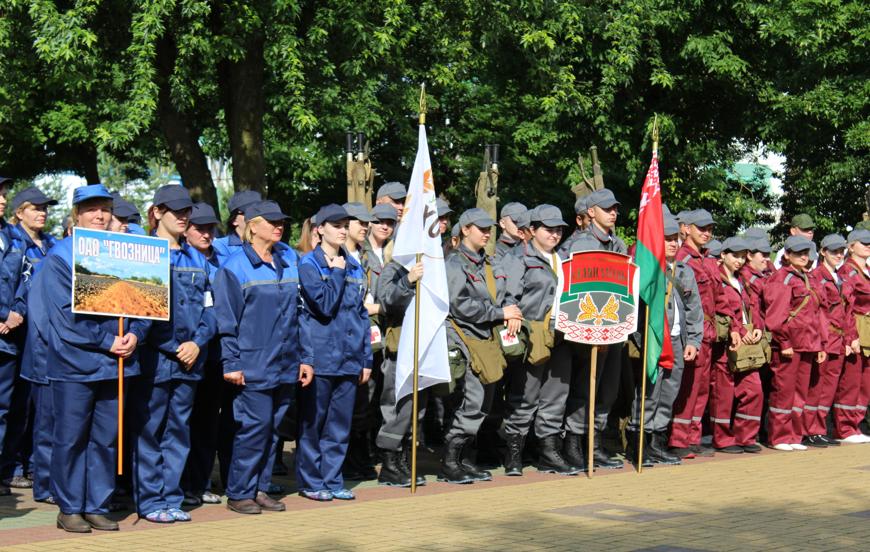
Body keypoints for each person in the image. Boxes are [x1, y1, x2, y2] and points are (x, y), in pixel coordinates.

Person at [43, 184, 151, 533]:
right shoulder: (61, 256)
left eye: (105, 209)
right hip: (75, 365)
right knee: (71, 439)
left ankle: (96, 505)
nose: (100, 215)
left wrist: (137, 333)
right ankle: (70, 507)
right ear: (77, 215)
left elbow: (146, 301)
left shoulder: (126, 253)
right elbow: (64, 318)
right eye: (91, 209)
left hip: (117, 364)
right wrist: (107, 341)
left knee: (106, 438)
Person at [214, 200, 311, 514]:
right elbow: (226, 320)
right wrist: (232, 362)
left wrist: (305, 358)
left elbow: (299, 314)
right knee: (254, 429)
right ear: (252, 227)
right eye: (272, 222)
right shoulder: (234, 267)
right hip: (253, 364)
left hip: (285, 362)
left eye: (281, 222)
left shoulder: (287, 260)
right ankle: (240, 491)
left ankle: (260, 488)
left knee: (273, 430)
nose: (279, 226)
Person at [131, 186, 216, 523]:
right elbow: (139, 310)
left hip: (190, 361)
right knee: (149, 431)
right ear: (157, 213)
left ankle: (171, 498)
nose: (183, 217)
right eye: (176, 211)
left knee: (178, 432)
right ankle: (151, 501)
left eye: (186, 211)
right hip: (154, 360)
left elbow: (211, 308)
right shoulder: (144, 254)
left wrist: (197, 342)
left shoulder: (197, 259)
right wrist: (172, 346)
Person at [440, 208, 521, 484]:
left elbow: (505, 293)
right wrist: (499, 313)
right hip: (464, 337)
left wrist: (511, 309)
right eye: (481, 228)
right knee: (472, 400)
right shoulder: (454, 264)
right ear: (465, 230)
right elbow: (460, 306)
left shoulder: (489, 262)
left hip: (486, 338)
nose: (487, 233)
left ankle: (464, 460)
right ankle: (450, 462)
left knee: (484, 401)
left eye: (489, 229)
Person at [297, 204, 372, 501]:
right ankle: (311, 481)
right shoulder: (309, 264)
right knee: (314, 423)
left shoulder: (353, 265)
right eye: (336, 225)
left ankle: (332, 479)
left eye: (344, 225)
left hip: (349, 357)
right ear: (320, 229)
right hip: (321, 357)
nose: (342, 230)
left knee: (340, 425)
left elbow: (361, 314)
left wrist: (366, 357)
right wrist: (337, 273)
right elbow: (324, 306)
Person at [501, 205, 576, 476]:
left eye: (559, 230)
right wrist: (512, 316)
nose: (555, 234)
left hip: (563, 333)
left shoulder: (566, 258)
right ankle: (514, 453)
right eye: (549, 229)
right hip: (532, 333)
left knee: (556, 395)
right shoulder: (519, 257)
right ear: (532, 230)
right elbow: (508, 295)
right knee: (525, 394)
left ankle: (549, 452)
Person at [557, 188, 627, 469]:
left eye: (615, 208)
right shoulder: (581, 244)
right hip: (586, 329)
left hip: (613, 328)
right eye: (607, 208)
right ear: (591, 212)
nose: (613, 213)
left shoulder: (618, 244)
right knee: (584, 388)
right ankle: (574, 443)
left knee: (607, 390)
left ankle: (594, 442)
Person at [626, 215, 701, 466]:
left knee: (669, 392)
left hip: (678, 340)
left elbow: (694, 309)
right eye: (666, 239)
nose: (672, 243)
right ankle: (639, 443)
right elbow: (634, 308)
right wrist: (642, 340)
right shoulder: (645, 271)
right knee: (649, 393)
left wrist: (694, 341)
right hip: (653, 339)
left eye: (675, 239)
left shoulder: (685, 271)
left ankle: (657, 442)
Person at [4, 186, 58, 488]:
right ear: (19, 211)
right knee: (15, 405)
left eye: (45, 208)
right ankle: (10, 466)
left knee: (40, 407)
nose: (42, 213)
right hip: (15, 333)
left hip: (44, 337)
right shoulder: (12, 241)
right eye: (35, 208)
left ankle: (34, 465)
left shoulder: (52, 244)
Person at [762, 235, 827, 451]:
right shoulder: (782, 278)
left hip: (808, 343)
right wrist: (784, 342)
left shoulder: (807, 277)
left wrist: (821, 344)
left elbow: (817, 313)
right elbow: (776, 315)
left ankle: (794, 435)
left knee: (800, 393)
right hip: (789, 344)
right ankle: (779, 436)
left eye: (805, 253)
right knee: (783, 391)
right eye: (798, 253)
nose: (803, 257)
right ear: (787, 255)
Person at [181, 202, 225, 505]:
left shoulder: (222, 261)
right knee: (182, 424)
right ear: (186, 230)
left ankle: (200, 482)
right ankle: (180, 485)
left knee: (207, 424)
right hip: (184, 355)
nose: (207, 234)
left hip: (214, 355)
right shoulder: (179, 258)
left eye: (211, 228)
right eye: (200, 228)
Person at [669, 209, 719, 458]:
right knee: (687, 390)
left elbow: (718, 298)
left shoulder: (706, 260)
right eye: (701, 228)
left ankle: (693, 437)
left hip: (707, 331)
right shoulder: (682, 259)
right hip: (691, 332)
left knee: (701, 390)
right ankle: (679, 440)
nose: (706, 233)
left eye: (709, 229)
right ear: (686, 229)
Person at [374, 254, 426, 487]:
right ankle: (390, 464)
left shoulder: (432, 267)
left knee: (416, 409)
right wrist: (407, 280)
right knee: (397, 406)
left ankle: (404, 459)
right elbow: (386, 302)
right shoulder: (394, 269)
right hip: (400, 346)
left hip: (423, 346)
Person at [709, 237, 764, 453]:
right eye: (735, 256)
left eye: (742, 257)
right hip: (726, 344)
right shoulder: (717, 279)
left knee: (754, 390)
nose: (739, 261)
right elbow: (720, 309)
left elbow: (753, 307)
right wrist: (739, 330)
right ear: (723, 255)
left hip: (747, 344)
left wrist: (757, 327)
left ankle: (746, 437)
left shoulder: (743, 280)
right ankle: (722, 439)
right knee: (723, 394)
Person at [340, 202, 380, 481]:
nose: (365, 227)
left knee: (363, 404)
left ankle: (358, 456)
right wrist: (372, 307)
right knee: (345, 406)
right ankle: (344, 461)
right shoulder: (336, 257)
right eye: (359, 222)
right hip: (342, 340)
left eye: (367, 223)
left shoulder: (368, 258)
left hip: (365, 338)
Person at [807, 234, 853, 446]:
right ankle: (810, 430)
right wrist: (821, 342)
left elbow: (847, 311)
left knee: (828, 388)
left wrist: (849, 338)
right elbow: (817, 312)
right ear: (823, 252)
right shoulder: (817, 276)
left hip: (839, 339)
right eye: (834, 251)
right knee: (817, 387)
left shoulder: (839, 277)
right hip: (825, 339)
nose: (838, 255)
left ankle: (819, 428)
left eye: (841, 251)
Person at [0, 176, 27, 498]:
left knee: (3, 410)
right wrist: (2, 313)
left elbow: (24, 278)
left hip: (7, 339)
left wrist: (16, 311)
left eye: (5, 194)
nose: (3, 200)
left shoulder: (12, 235)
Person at [832, 229, 870, 443]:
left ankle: (855, 424)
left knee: (866, 382)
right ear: (851, 246)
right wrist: (850, 336)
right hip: (855, 327)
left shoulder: (867, 270)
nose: (868, 246)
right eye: (863, 242)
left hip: (868, 329)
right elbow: (846, 307)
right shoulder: (847, 271)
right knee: (851, 381)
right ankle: (844, 428)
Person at [212, 190, 262, 262]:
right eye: (249, 212)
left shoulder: (274, 243)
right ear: (234, 221)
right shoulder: (220, 246)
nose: (257, 217)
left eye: (260, 212)